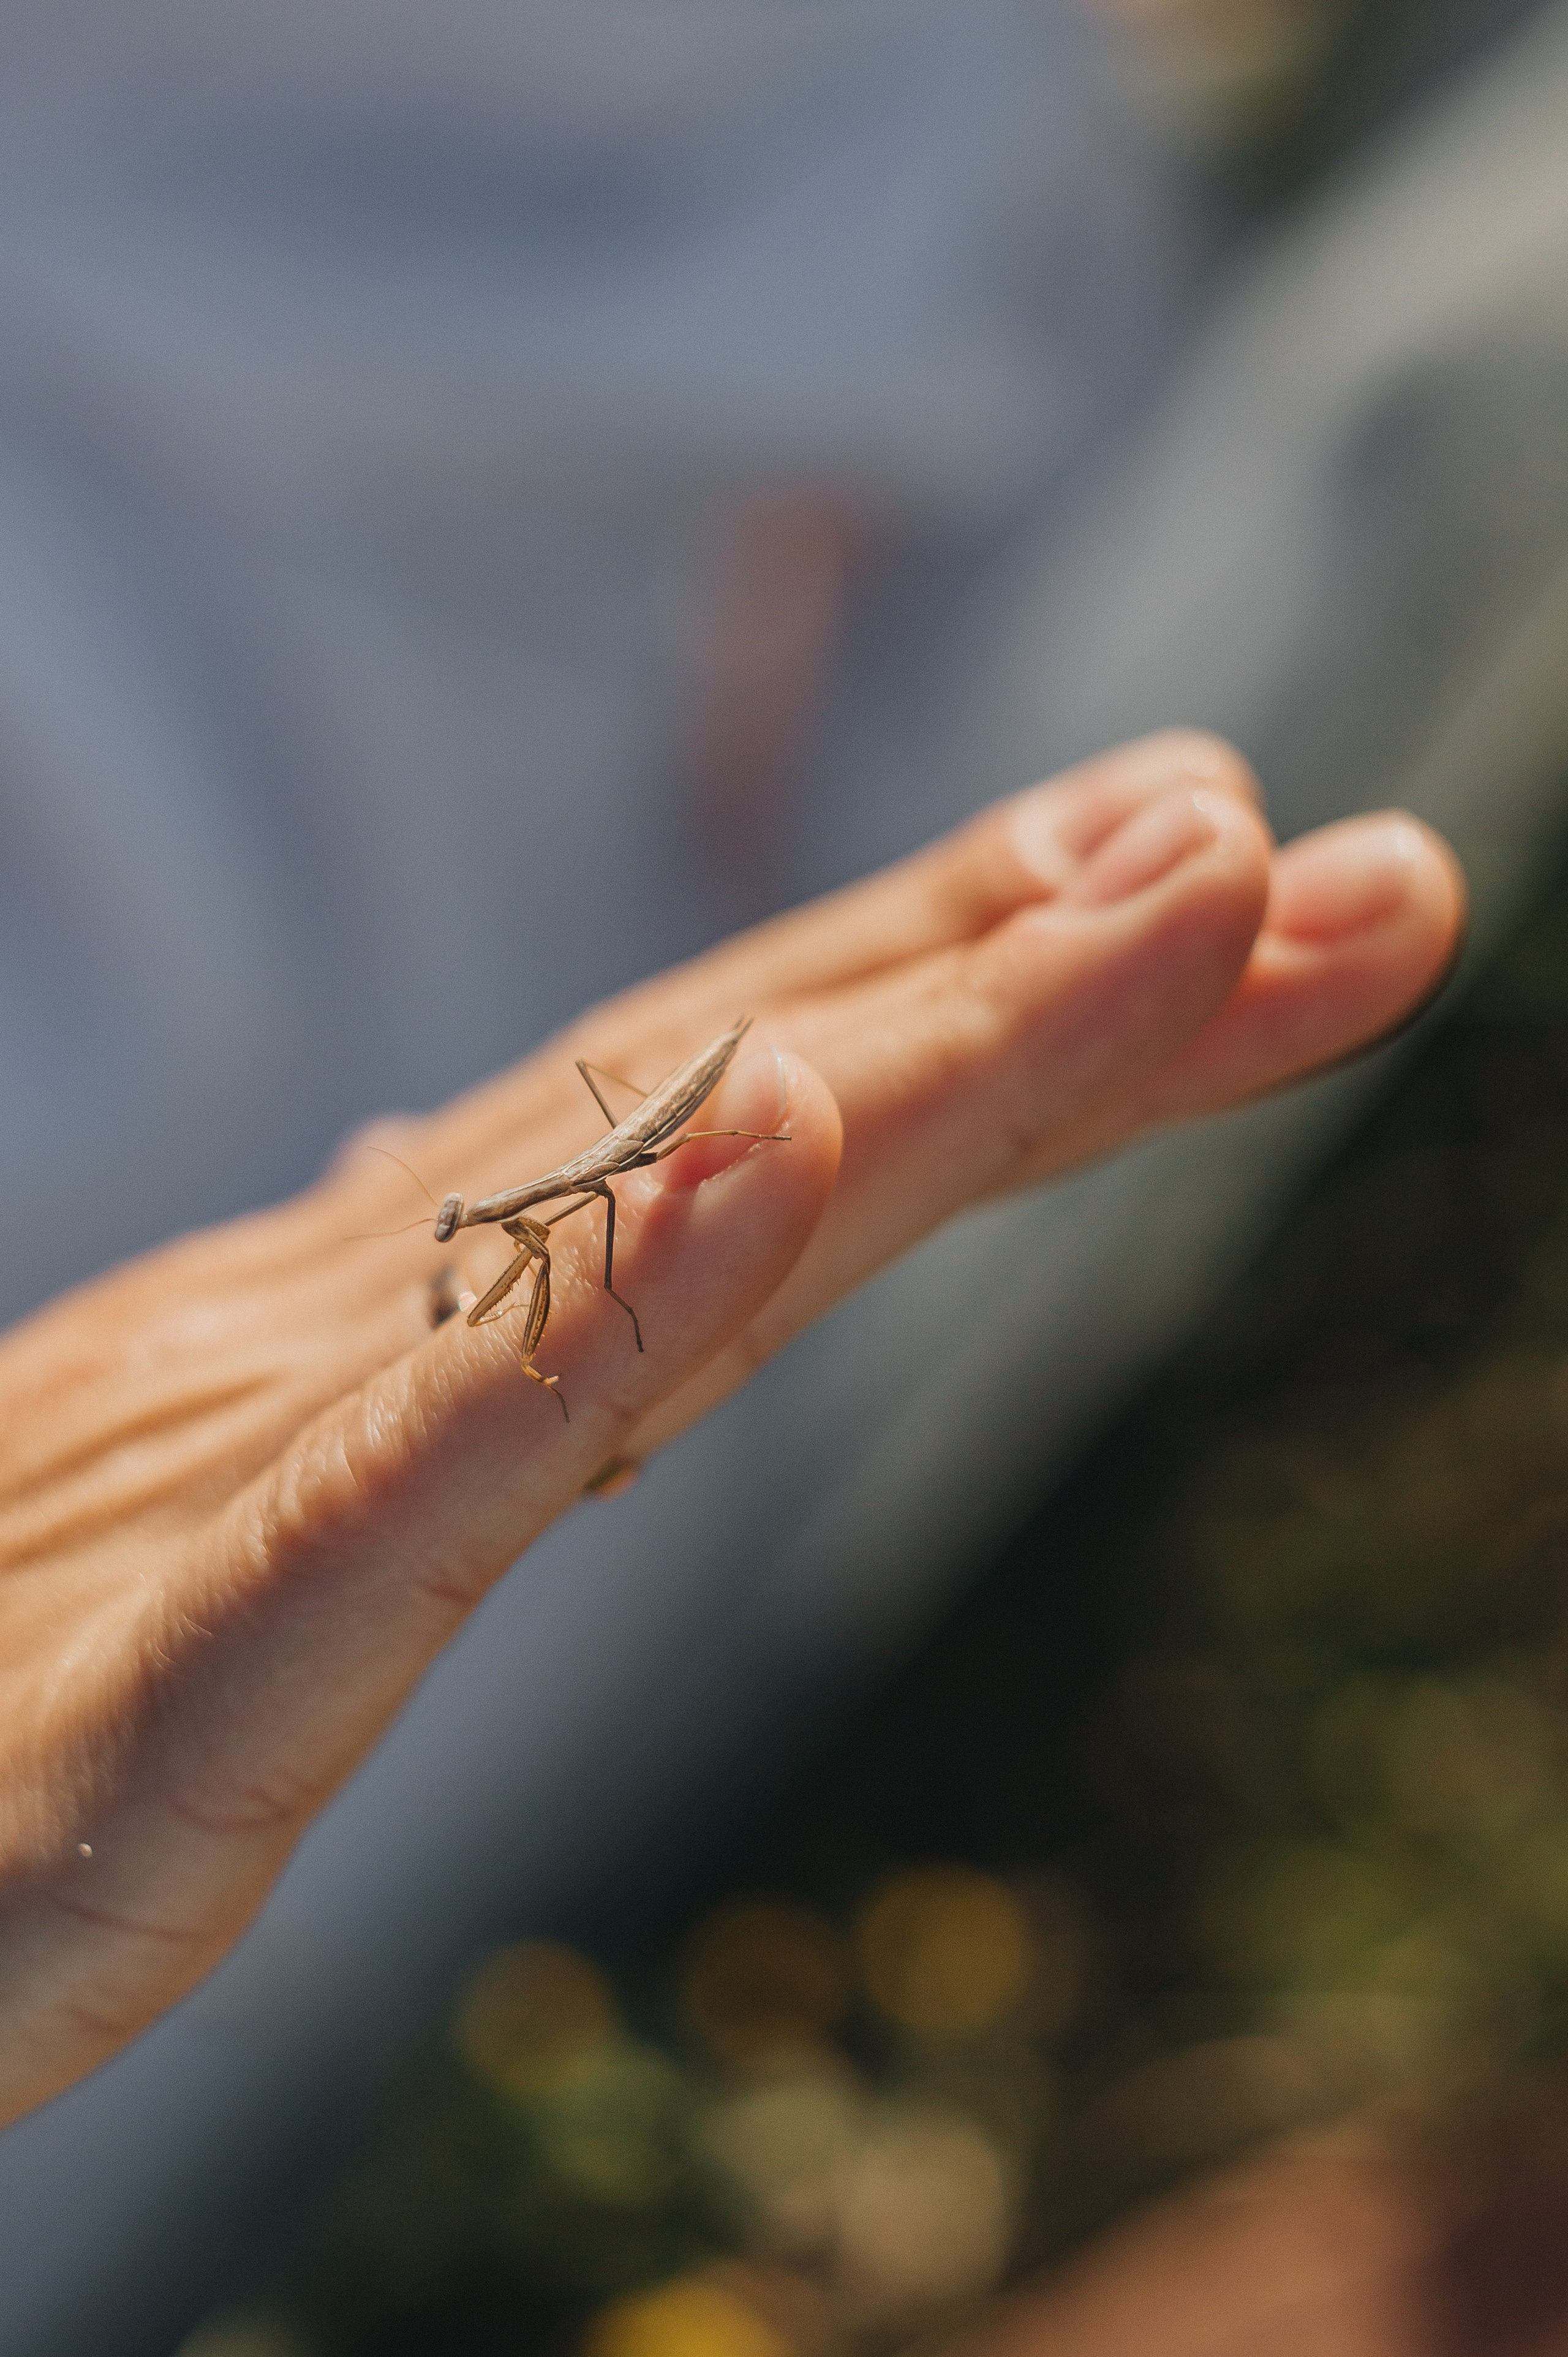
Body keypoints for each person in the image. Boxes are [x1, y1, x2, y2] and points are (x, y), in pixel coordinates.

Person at [1, 729, 1461, 2132]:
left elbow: (584, 1219)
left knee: (641, 1246)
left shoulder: (541, 1205)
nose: (452, 1227)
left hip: (653, 1131)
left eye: (453, 1223)